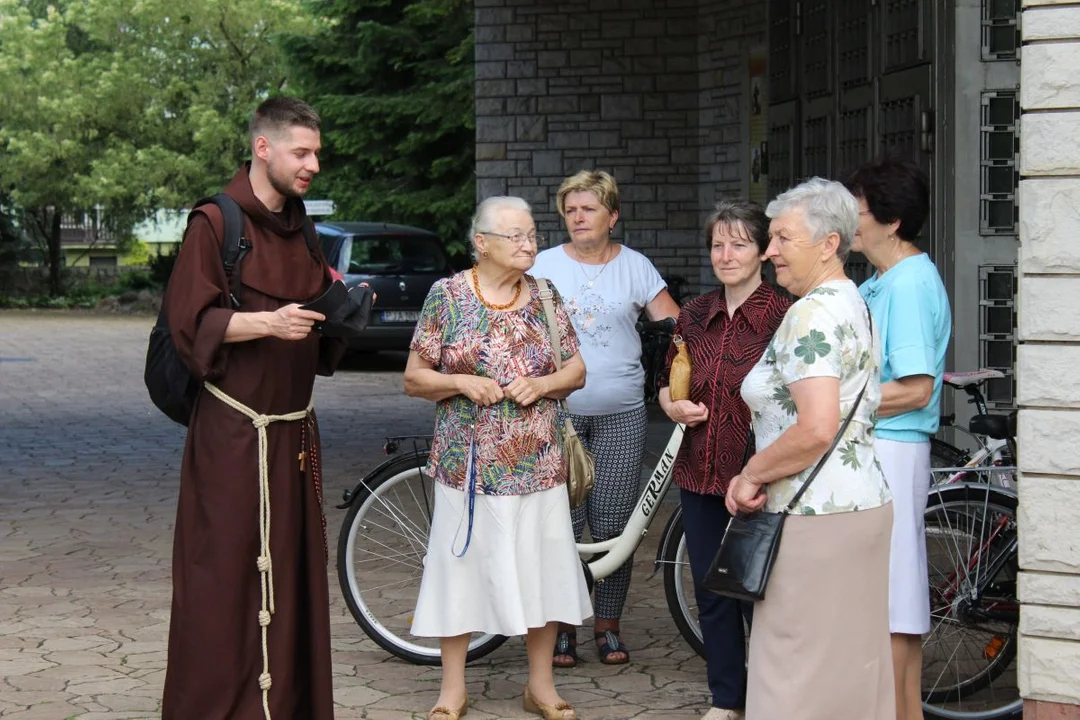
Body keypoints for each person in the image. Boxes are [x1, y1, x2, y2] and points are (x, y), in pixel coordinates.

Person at [162, 98, 345, 719]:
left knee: (290, 580)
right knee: (221, 582)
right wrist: (268, 322)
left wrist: (344, 313)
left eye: (316, 152)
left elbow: (318, 309)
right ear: (262, 148)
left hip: (291, 438)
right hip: (233, 436)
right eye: (301, 151)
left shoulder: (305, 228)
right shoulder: (214, 224)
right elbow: (190, 326)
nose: (313, 164)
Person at [404, 196, 592, 720]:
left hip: (540, 462)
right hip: (468, 467)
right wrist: (459, 381)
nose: (528, 243)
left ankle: (540, 686)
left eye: (531, 233)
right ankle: (453, 689)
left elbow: (576, 371)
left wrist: (544, 383)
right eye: (515, 235)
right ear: (481, 243)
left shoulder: (546, 295)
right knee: (458, 569)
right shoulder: (446, 296)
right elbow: (414, 377)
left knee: (544, 569)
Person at [728, 177, 895, 719]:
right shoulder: (853, 301)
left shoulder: (809, 314)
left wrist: (751, 473)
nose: (769, 250)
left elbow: (817, 425)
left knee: (792, 673)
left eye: (782, 238)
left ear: (828, 244)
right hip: (860, 504)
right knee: (852, 668)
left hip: (813, 514)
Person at [530, 169, 681, 667]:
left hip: (622, 413)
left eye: (588, 209)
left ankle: (609, 626)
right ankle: (565, 627)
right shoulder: (543, 265)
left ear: (611, 216)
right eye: (570, 210)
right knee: (562, 525)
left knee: (615, 525)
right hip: (558, 416)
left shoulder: (636, 267)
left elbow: (676, 328)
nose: (577, 217)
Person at [658, 201, 791, 720]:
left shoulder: (784, 315)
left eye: (738, 243)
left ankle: (771, 698)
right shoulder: (693, 313)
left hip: (762, 473)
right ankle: (726, 699)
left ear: (762, 250)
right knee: (713, 589)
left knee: (763, 592)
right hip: (700, 471)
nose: (726, 254)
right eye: (718, 244)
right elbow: (669, 381)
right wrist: (674, 405)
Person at [845, 158, 951, 720]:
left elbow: (913, 389)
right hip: (882, 446)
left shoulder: (908, 284)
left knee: (890, 595)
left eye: (858, 211)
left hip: (892, 447)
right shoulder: (886, 280)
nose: (850, 221)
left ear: (891, 221)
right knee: (891, 595)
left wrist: (834, 410)